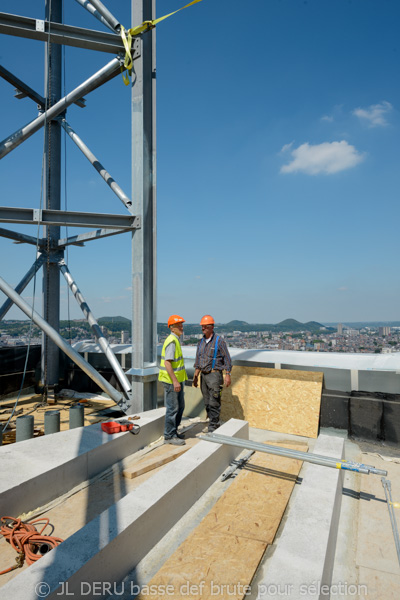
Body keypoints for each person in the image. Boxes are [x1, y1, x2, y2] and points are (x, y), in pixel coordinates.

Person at [193, 315, 232, 432]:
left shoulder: (219, 341)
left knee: (214, 402)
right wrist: (195, 376)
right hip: (203, 376)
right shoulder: (200, 342)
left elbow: (227, 359)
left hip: (214, 375)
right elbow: (198, 360)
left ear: (212, 327)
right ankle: (212, 422)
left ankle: (213, 426)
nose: (203, 329)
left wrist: (228, 374)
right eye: (202, 327)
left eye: (205, 326)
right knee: (206, 401)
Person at [158, 314, 188, 445]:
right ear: (172, 328)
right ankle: (169, 436)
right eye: (178, 325)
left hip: (176, 380)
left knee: (180, 407)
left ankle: (174, 431)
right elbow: (167, 363)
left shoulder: (175, 340)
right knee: (173, 408)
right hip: (171, 382)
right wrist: (175, 381)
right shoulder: (171, 341)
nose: (181, 327)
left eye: (181, 325)